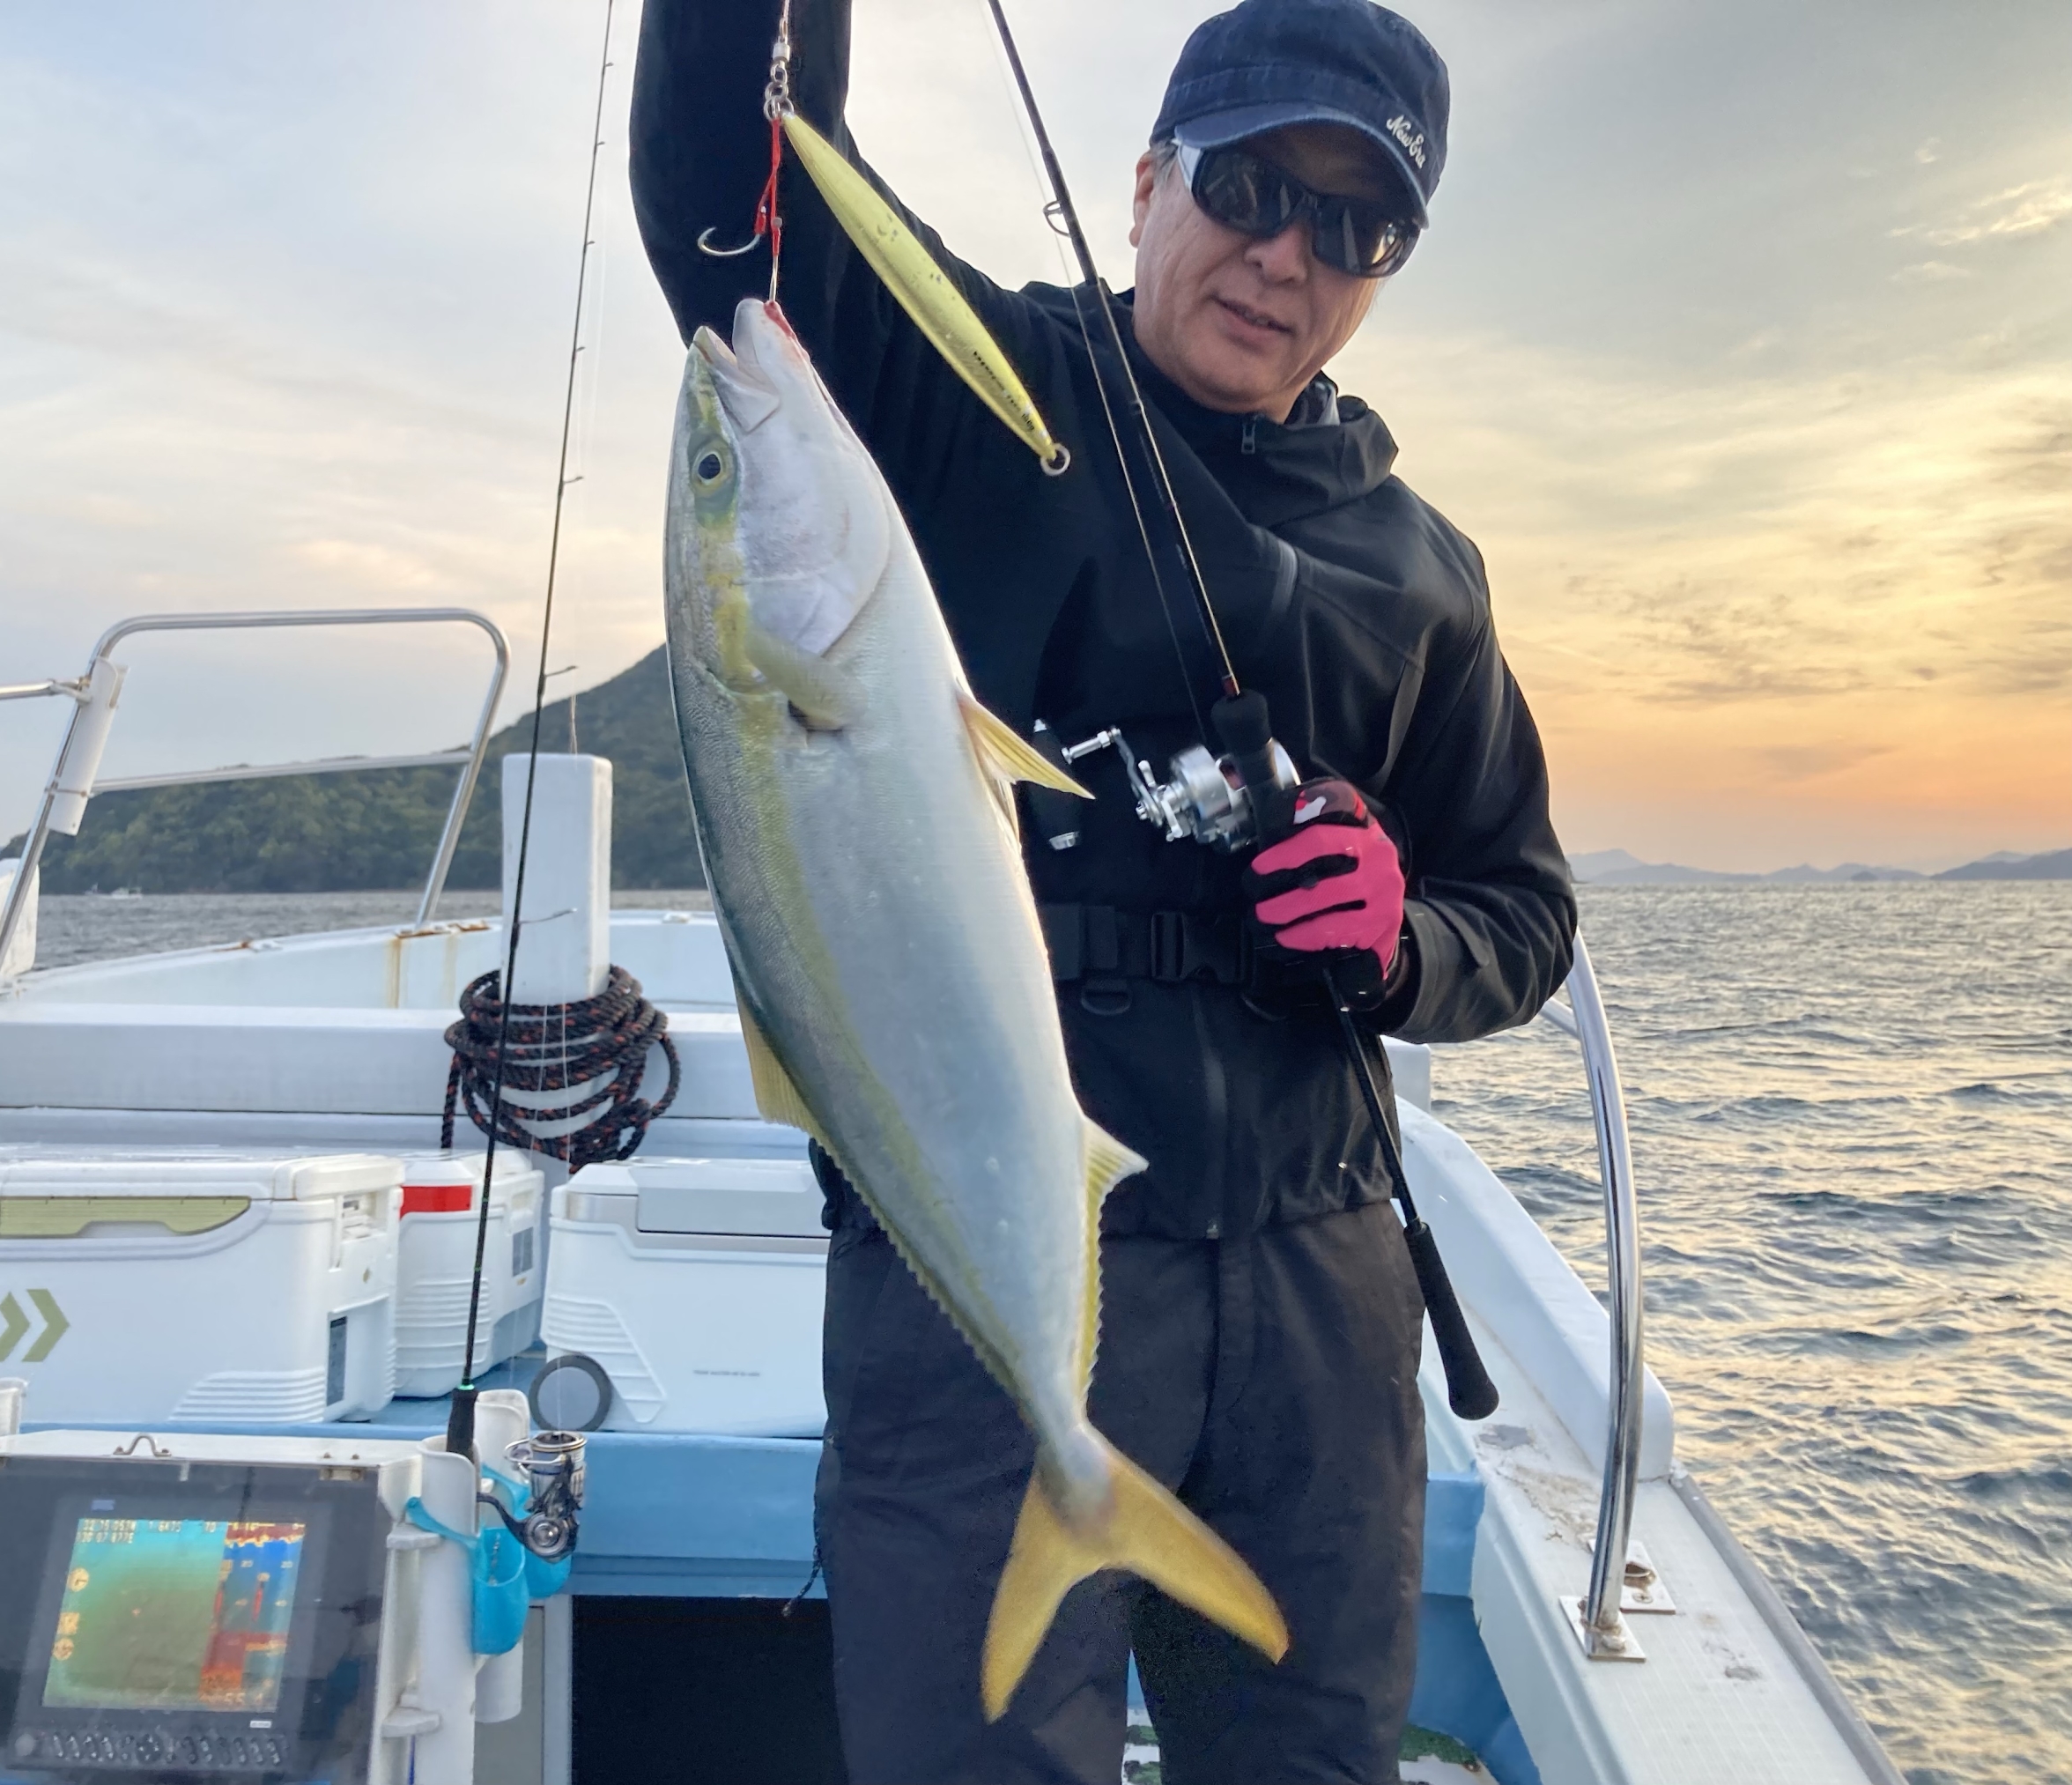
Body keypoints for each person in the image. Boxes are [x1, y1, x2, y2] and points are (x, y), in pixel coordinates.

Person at [633, 2, 1576, 1780]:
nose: (1284, 254)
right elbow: (730, 186)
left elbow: (1518, 912)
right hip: (979, 1249)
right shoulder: (965, 384)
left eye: (1353, 224)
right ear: (1146, 186)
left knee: (1313, 1757)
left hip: (1319, 1273)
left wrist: (1401, 939)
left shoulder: (1423, 568)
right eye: (1249, 186)